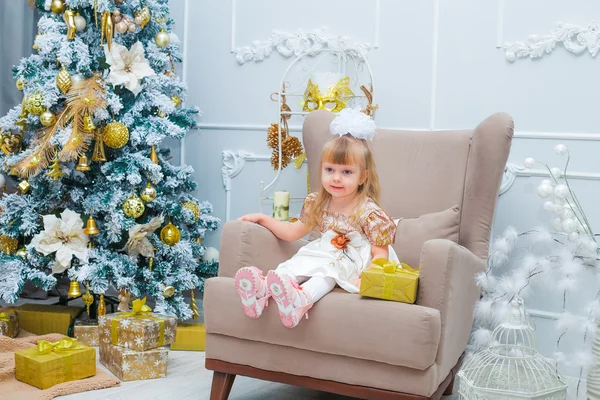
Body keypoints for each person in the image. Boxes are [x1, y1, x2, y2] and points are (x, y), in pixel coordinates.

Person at [235, 107, 398, 328]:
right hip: (324, 250)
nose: (336, 178)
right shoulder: (318, 202)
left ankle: (302, 299)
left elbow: (380, 254)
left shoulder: (369, 212)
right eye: (330, 170)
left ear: (363, 177)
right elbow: (293, 232)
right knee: (297, 261)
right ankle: (263, 290)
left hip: (353, 259)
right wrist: (264, 219)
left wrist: (368, 276)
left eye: (347, 172)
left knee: (327, 272)